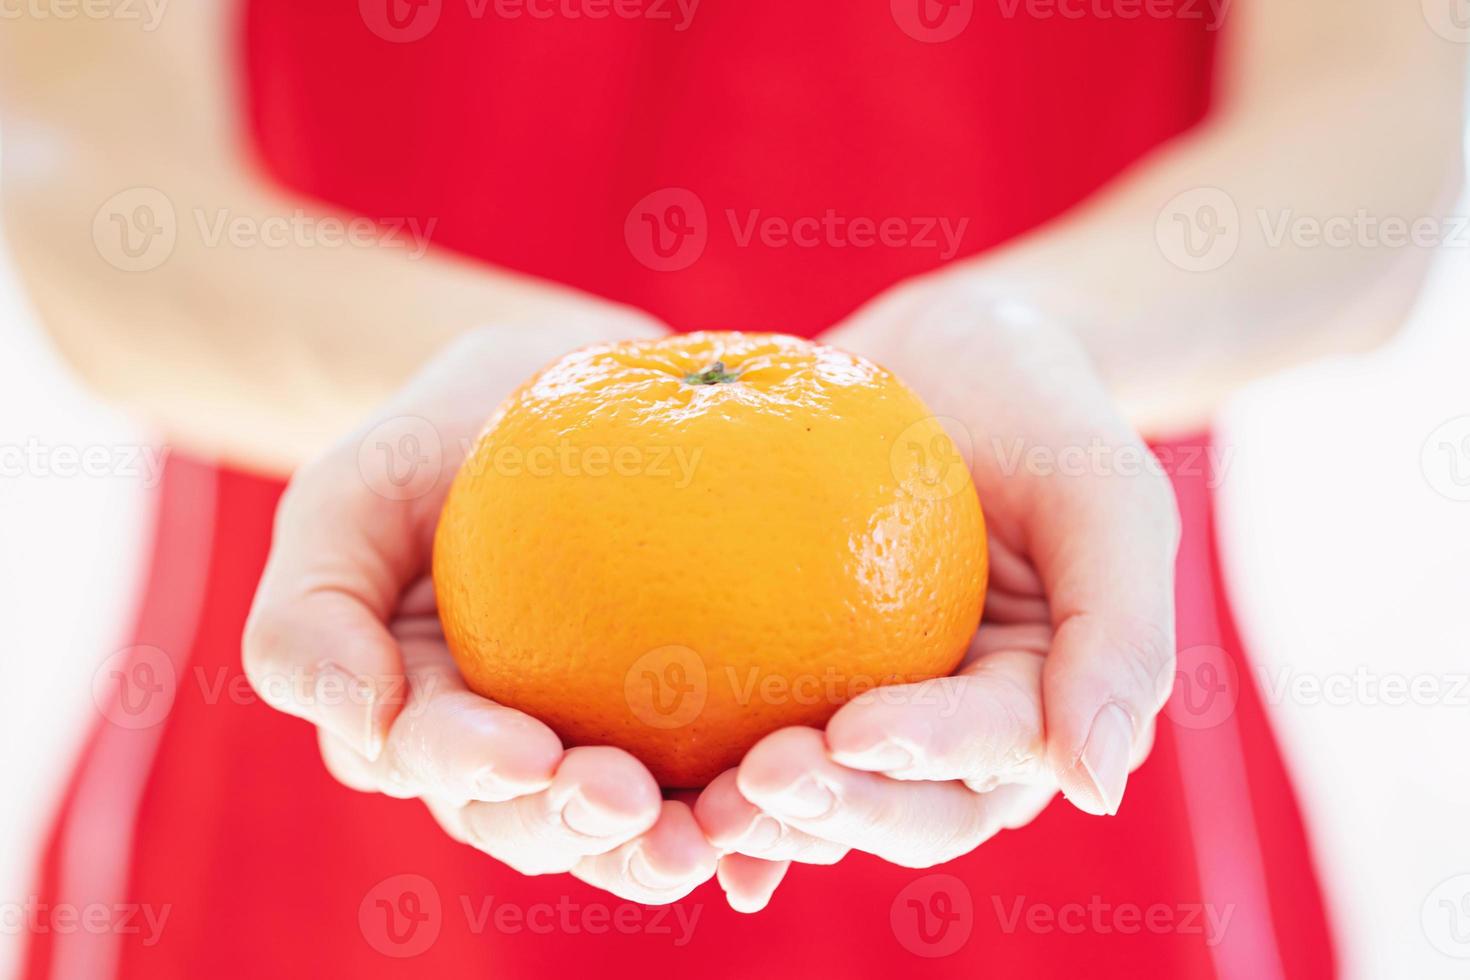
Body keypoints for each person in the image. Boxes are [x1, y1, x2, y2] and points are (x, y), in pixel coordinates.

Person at [2, 1, 1462, 977]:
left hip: (1047, 729)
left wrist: (1044, 339)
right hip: (363, 708)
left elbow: (1383, 116)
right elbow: (76, 162)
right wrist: (457, 373)